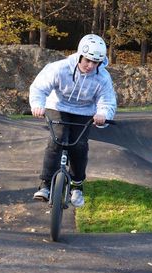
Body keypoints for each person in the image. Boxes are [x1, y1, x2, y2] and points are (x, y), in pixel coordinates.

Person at [29, 34, 117, 207]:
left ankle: (77, 186)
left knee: (79, 145)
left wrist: (103, 115)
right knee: (58, 139)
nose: (91, 66)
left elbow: (107, 101)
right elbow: (39, 87)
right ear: (79, 55)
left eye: (95, 62)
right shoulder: (59, 68)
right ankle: (45, 185)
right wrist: (38, 105)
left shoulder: (103, 78)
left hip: (84, 112)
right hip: (57, 107)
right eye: (87, 60)